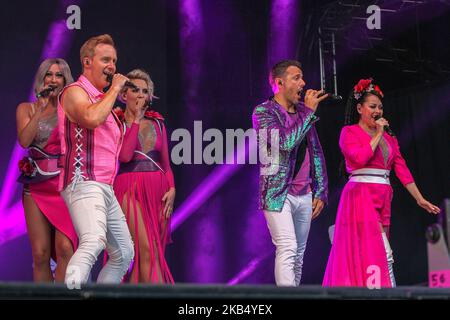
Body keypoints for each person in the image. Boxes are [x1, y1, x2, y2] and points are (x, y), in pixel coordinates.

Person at [322, 78, 440, 288]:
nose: (377, 111)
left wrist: (420, 199)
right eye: (372, 106)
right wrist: (378, 133)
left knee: (373, 251)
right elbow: (360, 158)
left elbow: (401, 169)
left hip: (383, 196)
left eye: (380, 107)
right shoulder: (349, 133)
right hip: (361, 195)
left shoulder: (389, 138)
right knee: (382, 251)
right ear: (360, 108)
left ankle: (372, 289)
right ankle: (389, 292)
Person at [58, 34, 134, 287]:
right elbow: (90, 119)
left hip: (104, 186)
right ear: (87, 62)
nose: (112, 66)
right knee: (92, 240)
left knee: (124, 252)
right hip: (83, 180)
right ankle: (70, 293)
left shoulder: (106, 102)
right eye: (105, 60)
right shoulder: (74, 92)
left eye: (114, 60)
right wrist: (114, 89)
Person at [252, 60, 329, 286]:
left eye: (302, 77)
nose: (303, 83)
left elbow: (316, 152)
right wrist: (309, 113)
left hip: (304, 193)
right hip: (278, 194)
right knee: (287, 246)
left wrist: (321, 191)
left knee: (298, 256)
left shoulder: (304, 113)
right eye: (296, 78)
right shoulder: (263, 112)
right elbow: (284, 142)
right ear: (279, 83)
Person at [16, 58, 77, 282]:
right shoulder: (26, 108)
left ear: (65, 80)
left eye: (58, 75)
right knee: (40, 254)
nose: (53, 79)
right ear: (41, 80)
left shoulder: (71, 111)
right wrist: (40, 109)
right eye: (48, 75)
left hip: (64, 186)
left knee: (65, 249)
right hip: (36, 188)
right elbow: (24, 140)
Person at [113, 69, 175, 283]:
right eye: (135, 90)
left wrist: (172, 189)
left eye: (145, 91)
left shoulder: (158, 124)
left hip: (158, 191)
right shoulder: (116, 123)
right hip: (129, 188)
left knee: (152, 255)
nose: (140, 95)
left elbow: (166, 164)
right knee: (146, 251)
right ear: (124, 95)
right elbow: (125, 156)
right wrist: (136, 120)